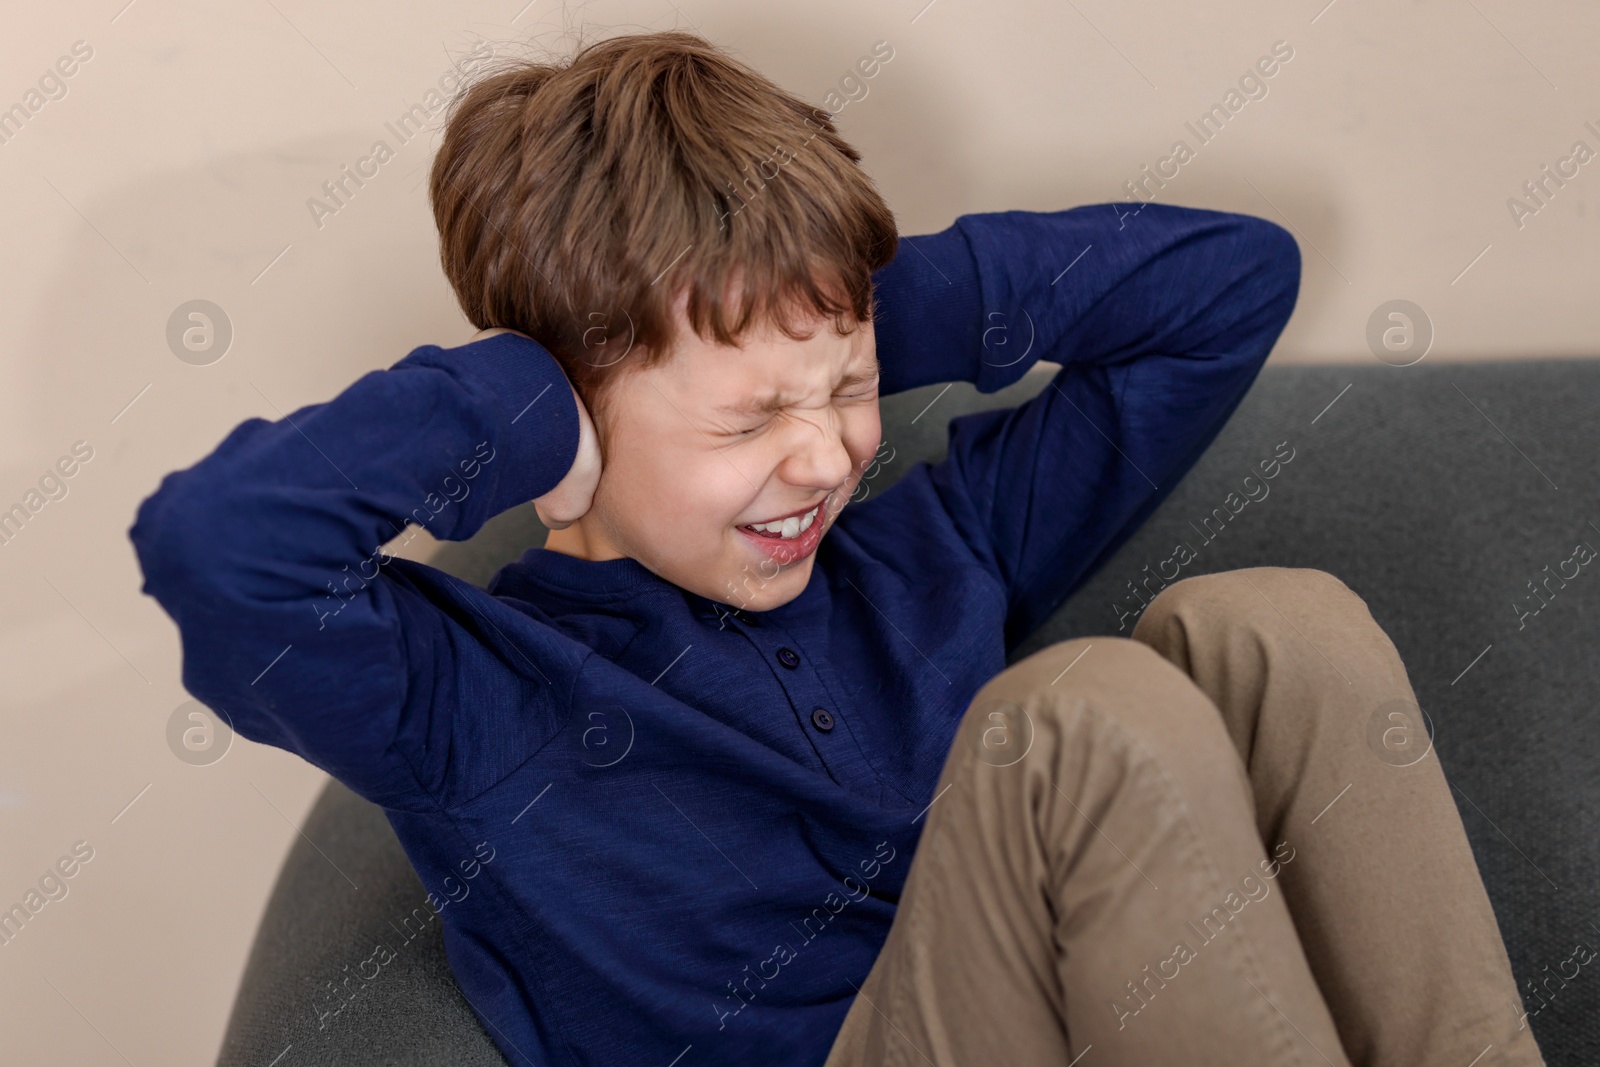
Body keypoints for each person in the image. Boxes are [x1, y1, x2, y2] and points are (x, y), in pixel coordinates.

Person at [129, 29, 1542, 1067]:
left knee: (1276, 628)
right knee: (1076, 720)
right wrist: (522, 404)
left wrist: (834, 306)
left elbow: (1234, 283)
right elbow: (214, 546)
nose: (825, 457)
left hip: (1054, 1018)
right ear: (571, 418)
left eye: (853, 392)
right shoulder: (474, 697)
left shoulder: (931, 554)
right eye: (751, 420)